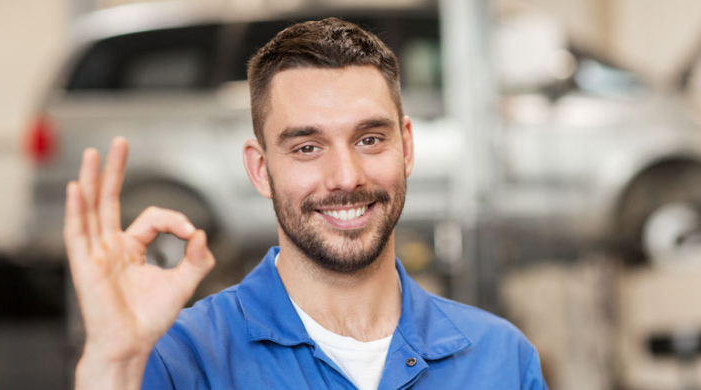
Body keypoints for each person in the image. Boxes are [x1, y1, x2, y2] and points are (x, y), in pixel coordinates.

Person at [64, 17, 548, 390]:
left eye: (370, 139)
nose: (346, 177)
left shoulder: (500, 358)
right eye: (307, 148)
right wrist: (114, 361)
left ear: (407, 147)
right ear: (260, 169)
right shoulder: (181, 357)